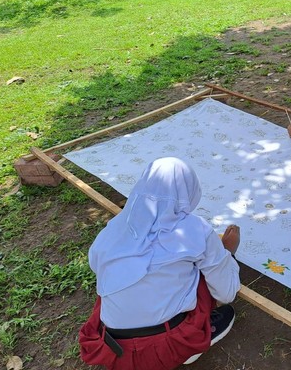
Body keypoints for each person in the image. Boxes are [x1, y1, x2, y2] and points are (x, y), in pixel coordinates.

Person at [79, 157, 241, 370]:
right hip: (166, 346)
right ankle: (192, 343)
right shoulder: (196, 229)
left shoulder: (113, 229)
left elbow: (99, 267)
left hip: (113, 348)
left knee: (122, 283)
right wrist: (227, 253)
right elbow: (226, 293)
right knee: (203, 277)